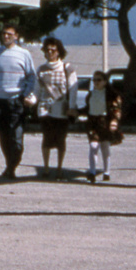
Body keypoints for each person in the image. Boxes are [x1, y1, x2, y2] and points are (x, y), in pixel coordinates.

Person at [0, 24, 38, 179]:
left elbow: (31, 76)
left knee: (17, 138)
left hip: (16, 101)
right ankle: (10, 166)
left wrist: (26, 94)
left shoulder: (24, 54)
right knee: (4, 136)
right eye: (4, 34)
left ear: (16, 36)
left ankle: (13, 163)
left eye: (9, 34)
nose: (6, 36)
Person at [36, 37, 78, 179]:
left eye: (53, 50)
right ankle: (46, 168)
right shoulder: (41, 69)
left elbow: (73, 89)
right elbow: (37, 90)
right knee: (46, 138)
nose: (50, 52)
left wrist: (72, 107)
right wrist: (31, 100)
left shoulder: (67, 68)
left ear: (59, 52)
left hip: (61, 110)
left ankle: (59, 167)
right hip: (45, 109)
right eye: (47, 50)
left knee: (60, 139)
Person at [85, 71, 123, 183]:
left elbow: (117, 109)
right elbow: (87, 108)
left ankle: (106, 172)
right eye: (94, 80)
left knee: (105, 146)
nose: (96, 82)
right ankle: (92, 172)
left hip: (105, 122)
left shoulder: (111, 95)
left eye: (99, 80)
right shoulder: (91, 94)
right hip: (92, 122)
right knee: (93, 146)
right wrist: (75, 112)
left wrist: (114, 121)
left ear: (105, 81)